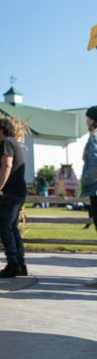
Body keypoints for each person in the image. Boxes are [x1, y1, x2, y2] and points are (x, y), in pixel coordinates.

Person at [0, 117, 28, 278]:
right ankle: (20, 265)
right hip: (17, 192)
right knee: (12, 228)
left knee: (3, 225)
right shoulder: (14, 143)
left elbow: (7, 165)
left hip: (9, 193)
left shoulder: (6, 144)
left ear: (1, 129)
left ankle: (13, 265)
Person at [81, 108, 97, 281]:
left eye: (88, 119)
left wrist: (85, 181)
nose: (87, 122)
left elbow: (94, 166)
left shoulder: (94, 138)